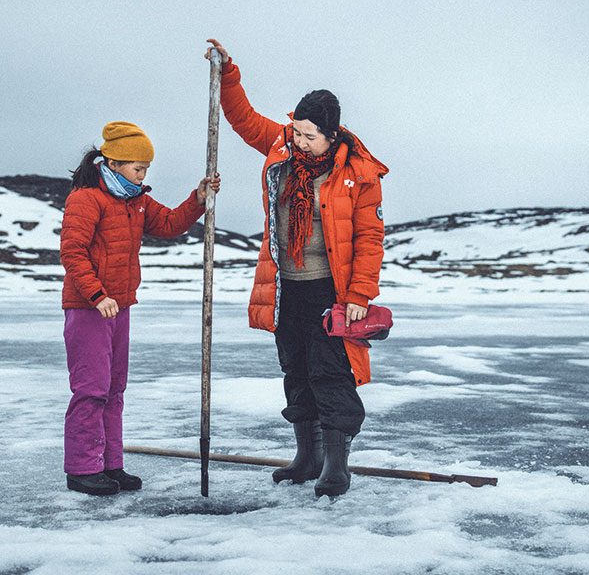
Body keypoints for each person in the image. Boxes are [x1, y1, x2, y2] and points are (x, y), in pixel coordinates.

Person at [205, 39, 387, 497]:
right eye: (297, 131)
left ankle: (336, 466)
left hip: (332, 290)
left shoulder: (357, 174)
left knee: (331, 373)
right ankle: (307, 457)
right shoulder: (283, 148)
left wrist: (360, 297)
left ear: (332, 133)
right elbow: (243, 120)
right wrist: (228, 75)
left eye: (309, 135)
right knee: (296, 370)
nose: (299, 141)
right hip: (286, 287)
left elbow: (369, 240)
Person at [59, 121, 221, 496]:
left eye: (146, 168)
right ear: (114, 163)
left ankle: (110, 465)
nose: (143, 174)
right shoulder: (86, 198)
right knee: (91, 390)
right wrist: (98, 296)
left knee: (114, 389)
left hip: (120, 307)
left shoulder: (136, 199)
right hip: (89, 309)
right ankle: (82, 469)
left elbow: (168, 223)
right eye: (138, 167)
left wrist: (196, 199)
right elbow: (72, 252)